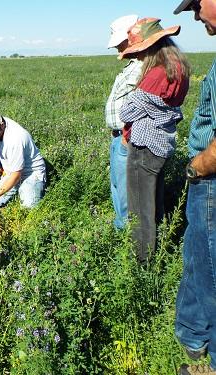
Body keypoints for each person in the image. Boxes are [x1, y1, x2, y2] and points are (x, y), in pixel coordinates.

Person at [118, 17, 190, 262]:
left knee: (140, 210)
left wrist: (141, 106)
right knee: (153, 203)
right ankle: (158, 252)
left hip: (144, 146)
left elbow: (126, 112)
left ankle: (142, 263)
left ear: (151, 47)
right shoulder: (178, 68)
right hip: (162, 144)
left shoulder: (156, 73)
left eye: (140, 52)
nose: (138, 57)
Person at [172, 1, 216, 374]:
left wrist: (194, 168)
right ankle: (194, 340)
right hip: (208, 183)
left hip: (211, 180)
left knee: (212, 274)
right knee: (199, 261)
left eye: (197, 5)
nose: (196, 15)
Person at [105, 14, 144, 229]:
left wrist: (126, 140)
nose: (117, 50)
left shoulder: (142, 67)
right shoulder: (133, 65)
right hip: (120, 138)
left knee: (129, 197)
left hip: (128, 140)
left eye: (119, 44)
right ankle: (122, 235)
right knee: (119, 190)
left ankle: (130, 243)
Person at [0, 112, 46, 211]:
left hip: (30, 173)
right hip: (12, 171)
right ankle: (14, 188)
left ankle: (27, 188)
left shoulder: (16, 139)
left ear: (2, 126)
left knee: (28, 208)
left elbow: (16, 175)